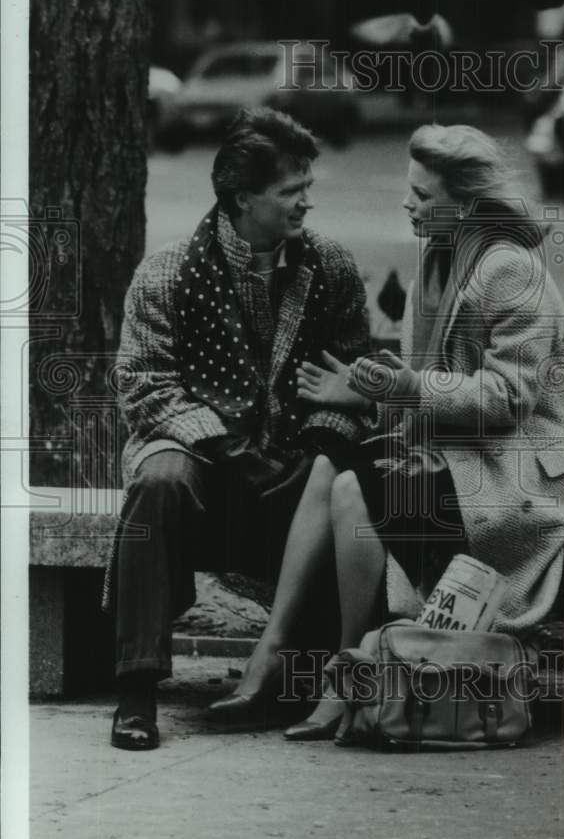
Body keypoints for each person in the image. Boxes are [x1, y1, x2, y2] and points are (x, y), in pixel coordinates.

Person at [213, 123, 564, 740]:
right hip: (463, 464)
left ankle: (342, 676)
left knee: (352, 487)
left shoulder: (508, 270)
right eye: (408, 191)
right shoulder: (435, 270)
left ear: (464, 203)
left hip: (520, 481)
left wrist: (391, 388)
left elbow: (507, 400)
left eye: (421, 195)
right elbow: (425, 396)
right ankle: (288, 652)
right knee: (330, 464)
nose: (408, 205)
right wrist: (371, 393)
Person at [106, 107, 371, 751]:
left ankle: (299, 673)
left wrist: (314, 446)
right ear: (241, 197)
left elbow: (351, 379)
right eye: (291, 191)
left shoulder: (329, 267)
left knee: (336, 481)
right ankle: (137, 691)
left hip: (290, 471)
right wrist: (227, 448)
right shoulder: (165, 273)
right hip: (198, 464)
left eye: (308, 187)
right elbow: (143, 386)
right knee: (158, 483)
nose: (306, 203)